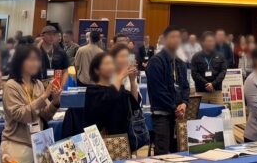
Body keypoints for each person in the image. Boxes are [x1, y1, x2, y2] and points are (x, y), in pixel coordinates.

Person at [146, 26, 189, 154]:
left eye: (178, 37)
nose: (176, 40)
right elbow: (158, 91)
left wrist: (184, 103)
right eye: (172, 37)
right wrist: (175, 108)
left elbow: (185, 87)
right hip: (162, 115)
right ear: (164, 40)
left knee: (179, 152)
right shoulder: (156, 62)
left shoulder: (180, 63)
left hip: (178, 114)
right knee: (162, 153)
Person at [85, 46, 141, 138]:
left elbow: (134, 105)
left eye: (112, 63)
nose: (111, 66)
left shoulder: (119, 87)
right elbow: (107, 101)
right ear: (96, 70)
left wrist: (132, 81)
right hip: (102, 139)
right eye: (107, 64)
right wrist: (121, 76)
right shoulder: (92, 91)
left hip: (122, 138)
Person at [190, 31, 227, 104]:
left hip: (216, 92)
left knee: (219, 111)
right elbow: (194, 74)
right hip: (201, 93)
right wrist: (207, 84)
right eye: (208, 41)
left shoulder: (220, 56)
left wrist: (213, 84)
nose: (211, 43)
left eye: (212, 41)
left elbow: (223, 72)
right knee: (200, 111)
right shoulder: (196, 57)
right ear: (203, 42)